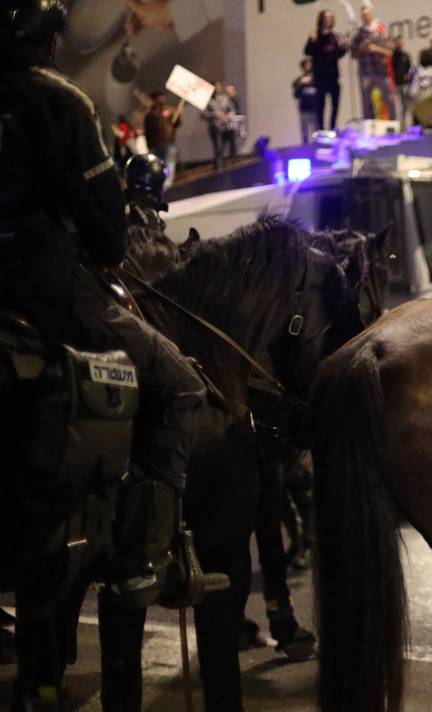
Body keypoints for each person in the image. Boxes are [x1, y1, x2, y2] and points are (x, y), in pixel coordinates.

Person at [0, 0, 207, 611]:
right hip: (49, 290)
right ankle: (144, 556)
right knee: (180, 385)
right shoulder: (62, 101)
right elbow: (108, 235)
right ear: (50, 41)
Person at [304, 9, 347, 130]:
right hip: (320, 76)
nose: (328, 19)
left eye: (330, 17)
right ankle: (321, 129)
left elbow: (338, 53)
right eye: (326, 17)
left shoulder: (334, 36)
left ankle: (333, 127)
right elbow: (307, 51)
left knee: (335, 104)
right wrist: (312, 41)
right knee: (321, 105)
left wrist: (343, 46)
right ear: (321, 19)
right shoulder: (316, 35)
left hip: (333, 75)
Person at [352, 4, 396, 121]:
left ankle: (394, 123)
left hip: (381, 71)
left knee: (389, 98)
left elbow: (390, 51)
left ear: (371, 14)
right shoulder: (359, 34)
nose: (365, 17)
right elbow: (353, 54)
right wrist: (362, 48)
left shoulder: (381, 30)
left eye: (367, 14)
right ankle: (370, 126)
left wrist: (375, 48)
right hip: (365, 72)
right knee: (366, 102)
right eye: (363, 15)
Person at [143, 90, 182, 190]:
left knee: (169, 163)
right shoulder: (150, 115)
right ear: (154, 100)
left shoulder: (169, 110)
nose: (161, 99)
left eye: (162, 96)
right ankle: (160, 185)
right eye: (158, 97)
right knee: (158, 166)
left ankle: (167, 186)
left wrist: (177, 116)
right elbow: (148, 131)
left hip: (168, 141)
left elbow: (177, 124)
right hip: (156, 144)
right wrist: (149, 146)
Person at [202, 80, 237, 170]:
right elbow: (203, 114)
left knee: (224, 145)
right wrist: (214, 114)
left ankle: (224, 162)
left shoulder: (225, 98)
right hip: (214, 126)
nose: (218, 88)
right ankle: (217, 164)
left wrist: (230, 114)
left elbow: (232, 108)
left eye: (219, 86)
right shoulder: (208, 100)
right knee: (216, 146)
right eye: (216, 86)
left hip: (225, 126)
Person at [293, 57, 319, 144]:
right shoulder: (299, 81)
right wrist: (301, 83)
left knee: (316, 130)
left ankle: (317, 145)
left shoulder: (317, 80)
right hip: (304, 109)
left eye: (309, 65)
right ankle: (305, 146)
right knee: (305, 130)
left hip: (315, 109)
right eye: (306, 65)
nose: (308, 67)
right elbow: (295, 95)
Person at [392, 37, 413, 125]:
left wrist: (408, 75)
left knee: (406, 103)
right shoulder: (393, 56)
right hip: (396, 83)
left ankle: (406, 121)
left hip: (405, 84)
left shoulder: (406, 56)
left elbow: (410, 69)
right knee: (398, 104)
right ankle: (399, 122)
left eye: (401, 43)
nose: (399, 45)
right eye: (398, 43)